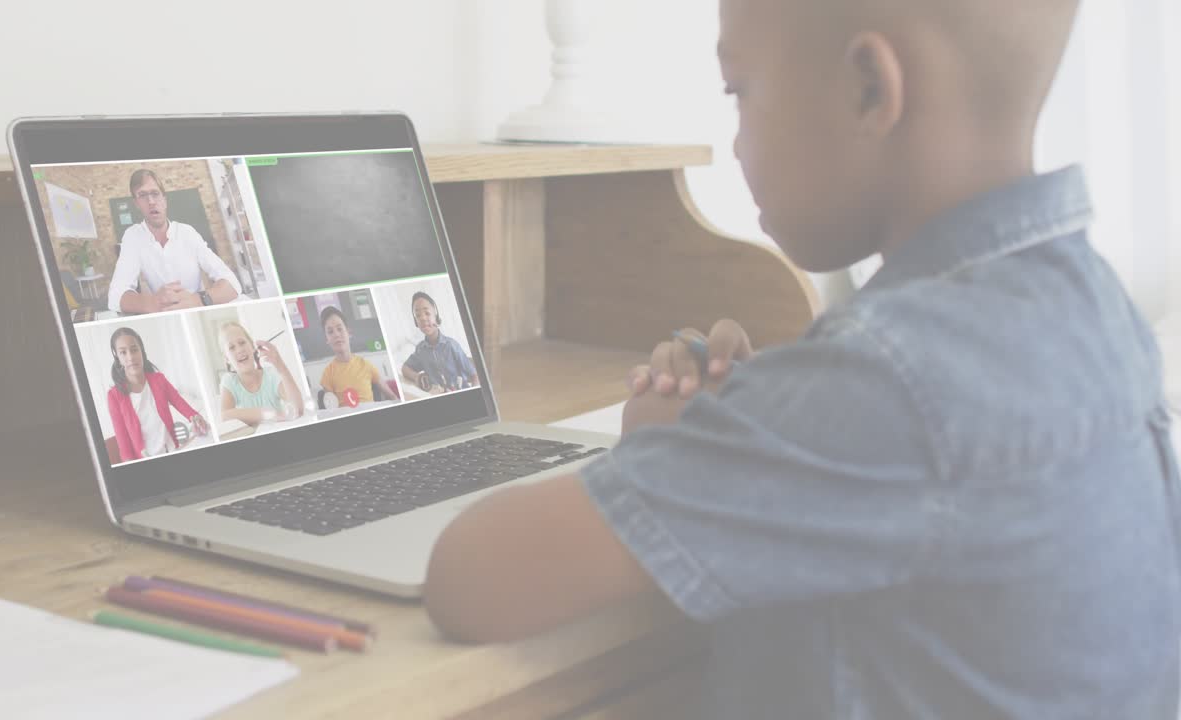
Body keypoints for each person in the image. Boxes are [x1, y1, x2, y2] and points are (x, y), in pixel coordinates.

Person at [424, 1, 1181, 718]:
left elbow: (471, 577)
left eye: (739, 92)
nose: (739, 142)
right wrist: (754, 424)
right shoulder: (1094, 310)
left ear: (868, 88)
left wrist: (692, 447)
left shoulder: (889, 379)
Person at [106, 169, 241, 315]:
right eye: (142, 195)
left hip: (196, 309)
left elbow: (232, 284)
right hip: (164, 312)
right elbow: (115, 297)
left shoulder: (187, 233)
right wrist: (152, 302)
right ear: (137, 204)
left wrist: (198, 300)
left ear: (164, 200)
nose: (151, 201)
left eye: (155, 194)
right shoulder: (133, 236)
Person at [106, 327, 209, 463]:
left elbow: (179, 401)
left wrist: (194, 416)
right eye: (123, 352)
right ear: (117, 358)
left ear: (141, 351)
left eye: (134, 349)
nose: (130, 357)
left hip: (172, 450)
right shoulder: (114, 396)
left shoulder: (158, 380)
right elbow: (123, 441)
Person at [217, 321, 305, 427]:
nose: (239, 350)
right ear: (227, 358)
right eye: (232, 348)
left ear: (252, 347)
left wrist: (280, 366)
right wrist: (269, 414)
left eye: (242, 343)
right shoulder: (229, 381)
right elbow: (225, 416)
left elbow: (298, 409)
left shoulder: (271, 375)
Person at [319, 306, 400, 406]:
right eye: (330, 332)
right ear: (327, 339)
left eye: (339, 329)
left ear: (348, 333)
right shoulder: (327, 374)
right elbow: (330, 410)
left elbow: (392, 397)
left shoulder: (366, 365)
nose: (336, 334)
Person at [400, 292, 478, 394]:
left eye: (427, 313)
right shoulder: (420, 350)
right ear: (416, 322)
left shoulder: (451, 345)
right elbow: (405, 368)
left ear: (436, 317)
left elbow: (474, 376)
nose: (422, 318)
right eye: (418, 315)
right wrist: (417, 377)